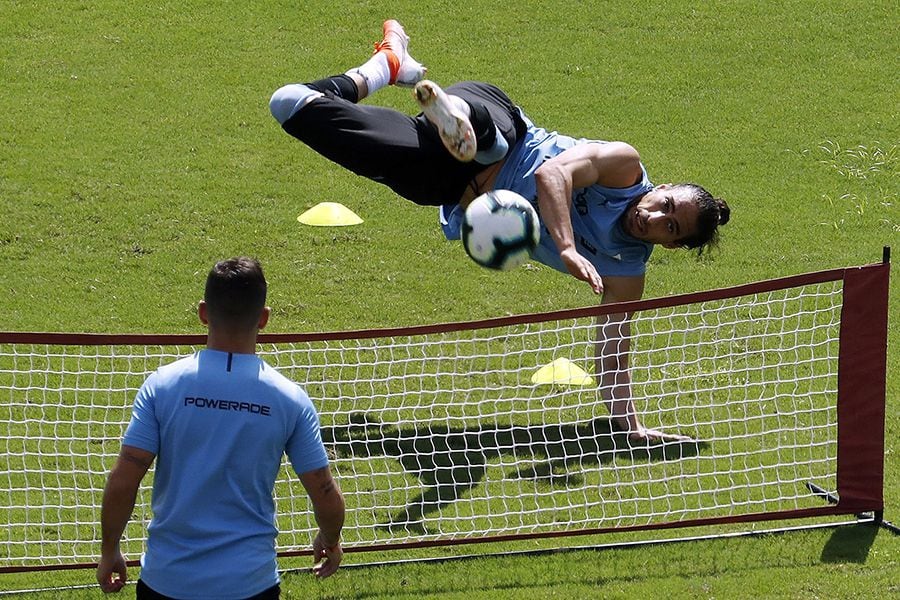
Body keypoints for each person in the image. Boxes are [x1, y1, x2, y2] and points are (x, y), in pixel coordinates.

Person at [268, 21, 730, 443]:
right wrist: (566, 248)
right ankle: (471, 133)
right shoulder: (624, 168)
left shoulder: (624, 270)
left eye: (669, 227)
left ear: (670, 244)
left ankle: (385, 66)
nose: (653, 217)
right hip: (499, 120)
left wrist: (630, 426)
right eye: (664, 204)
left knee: (288, 102)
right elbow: (552, 175)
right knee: (494, 140)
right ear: (662, 188)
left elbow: (613, 348)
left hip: (447, 180)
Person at [96, 257, 345, 598]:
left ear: (202, 312)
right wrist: (329, 539)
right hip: (250, 584)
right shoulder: (290, 399)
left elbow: (124, 479)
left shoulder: (162, 386)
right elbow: (325, 493)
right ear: (264, 318)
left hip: (167, 582)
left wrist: (109, 549)